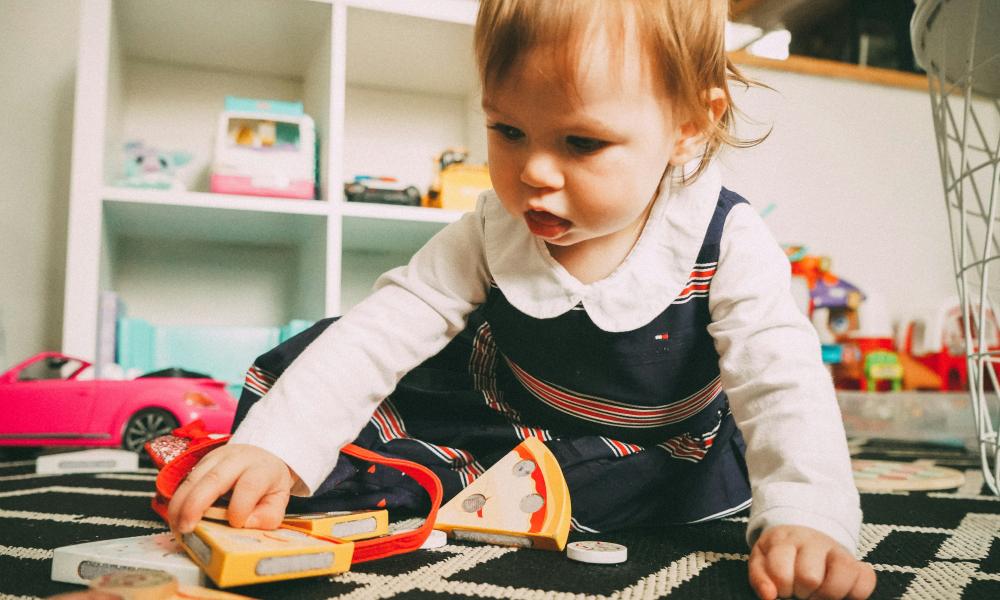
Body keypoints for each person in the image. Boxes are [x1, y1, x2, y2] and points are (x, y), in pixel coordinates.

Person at [168, 1, 876, 598]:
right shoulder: (491, 227)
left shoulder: (723, 236)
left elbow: (781, 378)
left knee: (574, 491)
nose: (534, 170)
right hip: (506, 411)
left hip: (653, 448)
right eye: (507, 130)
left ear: (689, 123)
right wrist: (280, 447)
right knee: (327, 383)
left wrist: (808, 516)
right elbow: (384, 326)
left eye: (582, 141)